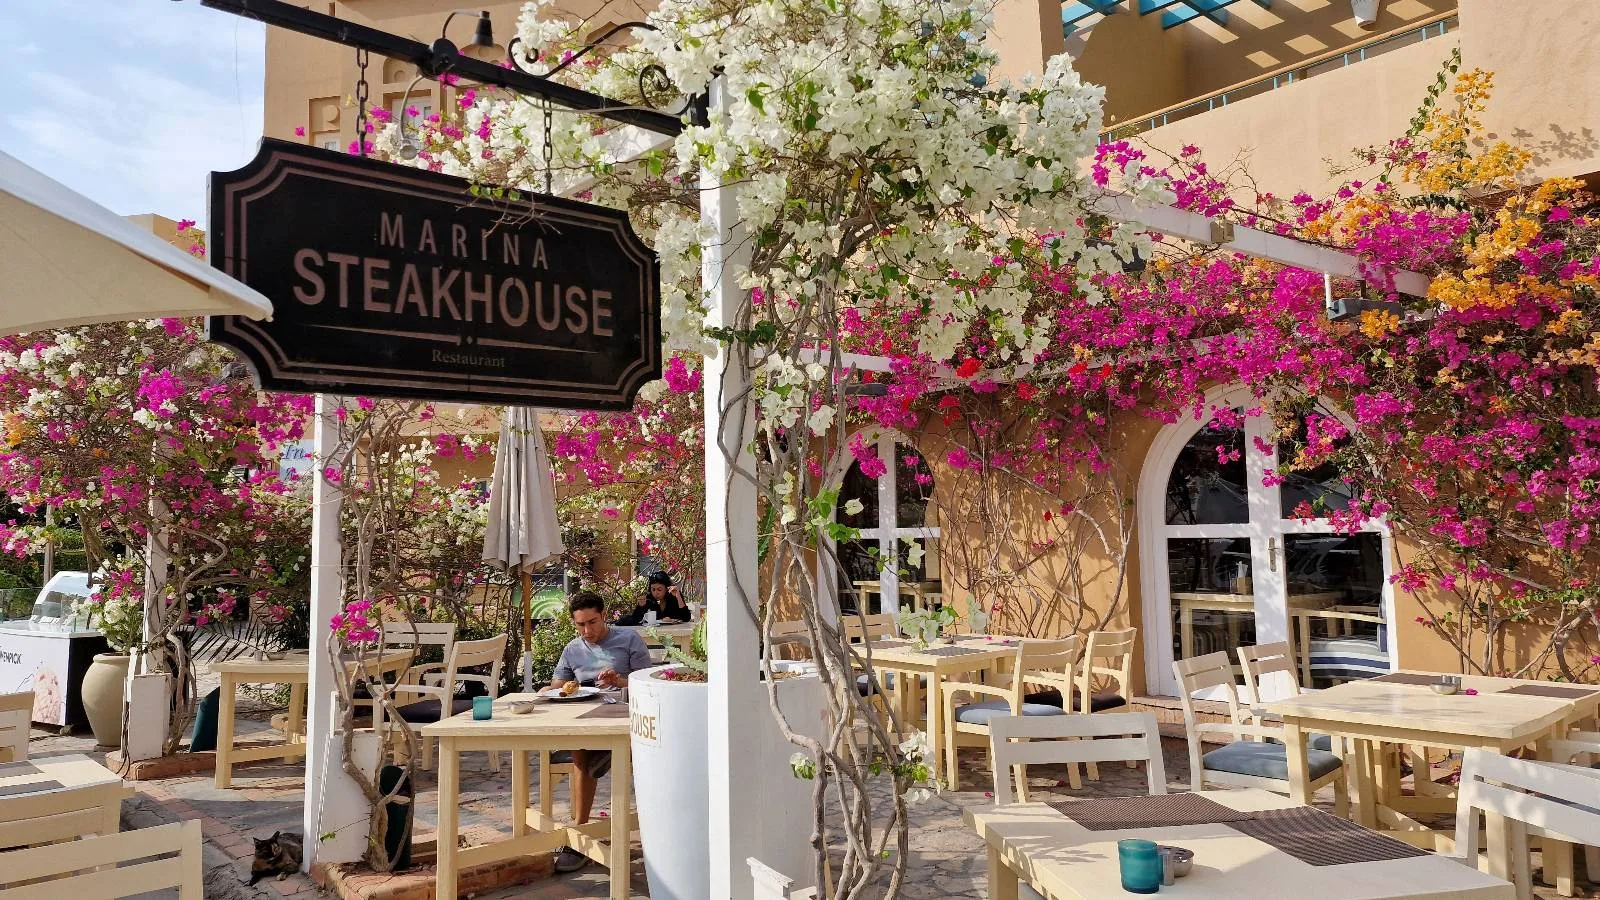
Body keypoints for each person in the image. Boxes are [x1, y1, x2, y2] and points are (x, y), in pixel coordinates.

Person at [548, 591, 652, 874]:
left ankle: (580, 834)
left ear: (604, 615)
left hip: (625, 716)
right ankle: (582, 832)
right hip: (586, 716)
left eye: (592, 623)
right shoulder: (573, 649)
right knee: (582, 746)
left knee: (582, 752)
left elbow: (650, 684)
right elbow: (557, 685)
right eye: (580, 625)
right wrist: (558, 689)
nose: (587, 631)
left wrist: (619, 680)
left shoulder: (629, 640)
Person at [615, 571, 693, 625]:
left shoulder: (674, 595)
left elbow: (686, 618)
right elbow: (636, 619)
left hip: (675, 633)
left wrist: (678, 596)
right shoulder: (649, 599)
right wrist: (641, 607)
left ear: (666, 588)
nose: (656, 592)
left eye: (659, 589)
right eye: (653, 589)